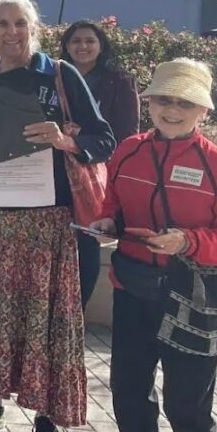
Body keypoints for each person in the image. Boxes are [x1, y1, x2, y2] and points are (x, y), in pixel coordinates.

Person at [0, 0, 116, 432]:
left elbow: (104, 137)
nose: (11, 31)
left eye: (20, 23)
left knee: (44, 322)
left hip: (45, 220)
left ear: (34, 27)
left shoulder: (57, 74)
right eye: (2, 23)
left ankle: (45, 417)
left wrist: (64, 140)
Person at [91, 58, 217, 432]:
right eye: (163, 99)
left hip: (194, 297)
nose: (172, 110)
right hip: (132, 291)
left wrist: (188, 241)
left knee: (188, 407)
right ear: (148, 102)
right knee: (129, 395)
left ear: (203, 111)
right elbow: (111, 202)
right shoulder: (128, 151)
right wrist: (105, 221)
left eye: (185, 103)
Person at [61, 20, 140, 305]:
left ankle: (77, 312)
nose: (82, 46)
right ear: (67, 46)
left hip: (97, 174)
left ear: (101, 45)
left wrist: (84, 137)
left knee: (86, 242)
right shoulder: (56, 77)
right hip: (56, 173)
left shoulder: (118, 81)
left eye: (89, 41)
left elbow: (127, 133)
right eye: (76, 41)